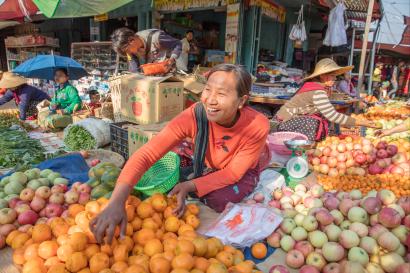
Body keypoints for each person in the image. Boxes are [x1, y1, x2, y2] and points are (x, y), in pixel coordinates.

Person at [90, 64, 271, 244]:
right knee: (173, 172)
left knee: (218, 199)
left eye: (221, 94)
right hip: (208, 162)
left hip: (240, 169)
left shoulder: (257, 125)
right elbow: (147, 154)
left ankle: (201, 181)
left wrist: (190, 185)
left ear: (241, 101)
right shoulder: (194, 116)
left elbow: (233, 173)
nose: (210, 100)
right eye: (208, 90)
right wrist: (117, 201)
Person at [275, 58, 378, 141]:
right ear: (323, 76)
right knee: (313, 122)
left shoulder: (314, 87)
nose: (335, 79)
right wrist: (362, 122)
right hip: (285, 124)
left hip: (287, 121)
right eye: (332, 76)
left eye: (335, 76)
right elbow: (333, 116)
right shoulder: (317, 91)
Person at [111, 27, 182, 73]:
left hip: (167, 73)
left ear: (131, 40)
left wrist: (172, 59)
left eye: (127, 50)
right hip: (151, 75)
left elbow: (177, 44)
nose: (128, 53)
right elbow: (135, 70)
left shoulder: (157, 38)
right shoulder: (129, 50)